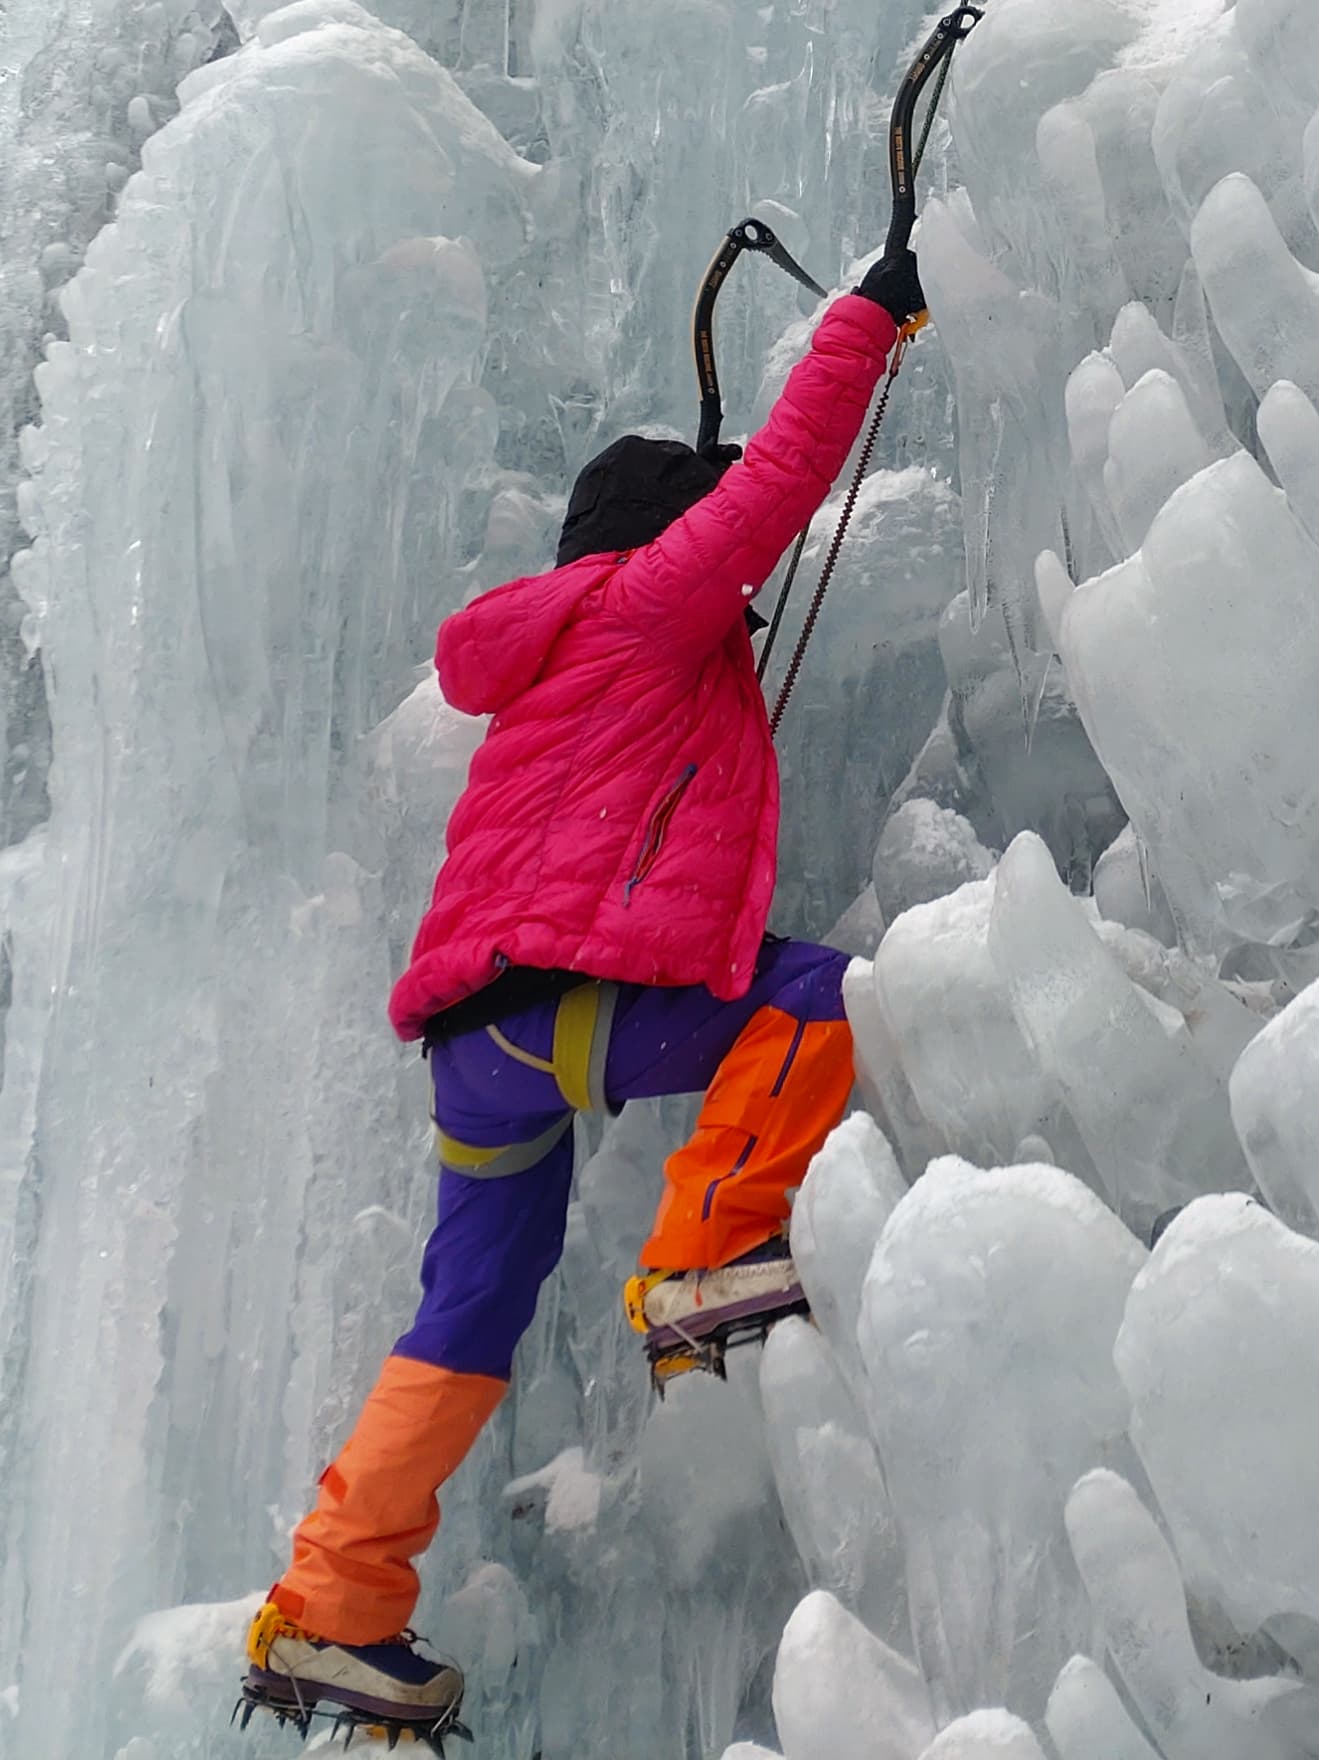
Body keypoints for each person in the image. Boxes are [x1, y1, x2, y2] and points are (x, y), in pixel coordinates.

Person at [243, 234, 928, 1742]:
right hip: (571, 1004)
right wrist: (866, 323)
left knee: (467, 1310)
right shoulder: (642, 604)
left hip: (476, 1051)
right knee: (814, 1000)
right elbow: (774, 496)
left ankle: (335, 1607)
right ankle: (703, 1256)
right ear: (655, 553)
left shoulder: (550, 655)